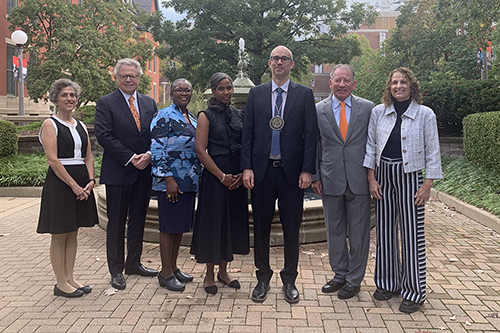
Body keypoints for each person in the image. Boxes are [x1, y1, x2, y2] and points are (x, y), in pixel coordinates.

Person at [241, 45, 318, 304]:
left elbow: (311, 136)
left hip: (292, 174)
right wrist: (247, 167)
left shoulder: (305, 94)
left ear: (291, 64)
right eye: (275, 59)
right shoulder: (256, 94)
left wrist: (308, 169)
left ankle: (289, 280)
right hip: (262, 173)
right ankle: (262, 278)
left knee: (291, 228)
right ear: (269, 63)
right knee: (260, 227)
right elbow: (247, 135)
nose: (279, 63)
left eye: (284, 59)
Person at [363, 67, 442, 314]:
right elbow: (371, 147)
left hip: (410, 176)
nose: (399, 86)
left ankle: (413, 292)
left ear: (411, 85)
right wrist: (371, 179)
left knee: (411, 234)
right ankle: (388, 284)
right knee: (385, 232)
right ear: (389, 86)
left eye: (403, 82)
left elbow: (433, 151)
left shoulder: (424, 114)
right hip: (383, 175)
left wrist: (427, 184)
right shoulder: (379, 112)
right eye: (395, 82)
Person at [95, 58, 158, 290]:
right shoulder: (106, 103)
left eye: (133, 76)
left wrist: (150, 154)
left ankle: (134, 263)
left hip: (144, 172)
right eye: (124, 76)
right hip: (119, 172)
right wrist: (132, 157)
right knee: (116, 223)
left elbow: (158, 133)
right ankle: (116, 269)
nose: (129, 79)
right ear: (117, 77)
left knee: (139, 220)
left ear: (139, 78)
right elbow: (104, 135)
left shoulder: (149, 103)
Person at [312, 64, 374, 300]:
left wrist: (372, 176)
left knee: (359, 234)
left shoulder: (368, 108)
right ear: (330, 83)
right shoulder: (318, 110)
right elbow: (314, 146)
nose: (341, 84)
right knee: (334, 231)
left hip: (359, 180)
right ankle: (339, 275)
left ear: (354, 84)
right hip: (330, 179)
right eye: (337, 80)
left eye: (346, 80)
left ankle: (354, 279)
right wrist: (316, 176)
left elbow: (373, 144)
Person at [37, 79, 98, 298]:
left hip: (82, 181)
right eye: (64, 95)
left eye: (72, 95)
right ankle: (60, 282)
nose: (69, 99)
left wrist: (90, 180)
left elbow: (88, 156)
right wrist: (73, 186)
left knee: (73, 232)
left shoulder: (80, 125)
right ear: (55, 98)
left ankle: (71, 278)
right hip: (61, 184)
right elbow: (52, 160)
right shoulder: (49, 124)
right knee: (60, 233)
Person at [191, 73, 250, 295]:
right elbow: (200, 149)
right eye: (222, 89)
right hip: (215, 176)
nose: (226, 92)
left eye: (229, 88)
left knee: (231, 223)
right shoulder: (205, 116)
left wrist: (240, 173)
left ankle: (223, 272)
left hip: (236, 176)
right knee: (213, 223)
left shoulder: (238, 114)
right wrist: (221, 176)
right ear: (213, 91)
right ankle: (208, 274)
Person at [150, 78, 201, 292]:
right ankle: (165, 273)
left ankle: (174, 267)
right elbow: (156, 149)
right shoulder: (163, 116)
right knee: (168, 226)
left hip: (189, 181)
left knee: (180, 226)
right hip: (170, 182)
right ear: (171, 93)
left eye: (187, 90)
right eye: (179, 90)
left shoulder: (192, 118)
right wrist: (168, 179)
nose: (184, 93)